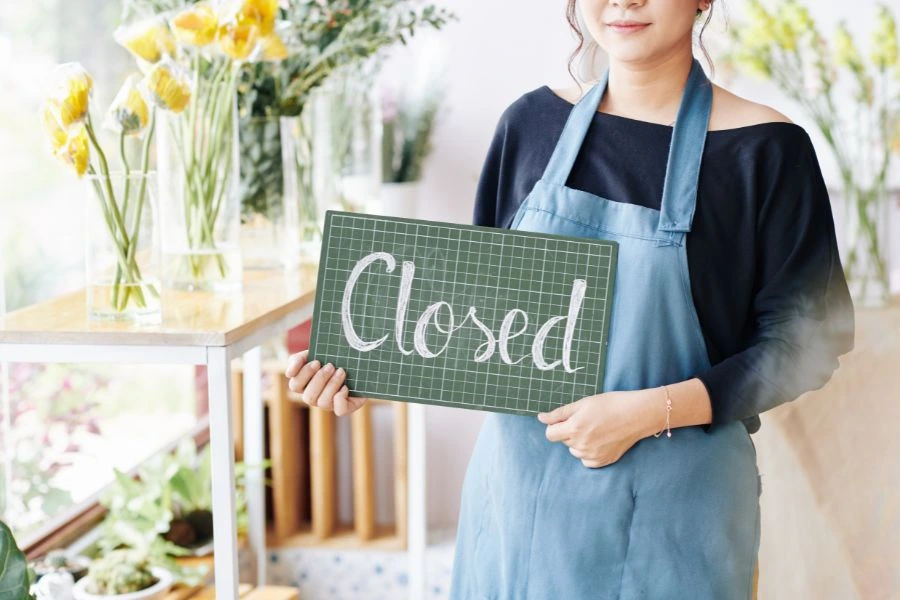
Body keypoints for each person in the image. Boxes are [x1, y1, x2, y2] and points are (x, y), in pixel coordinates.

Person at [285, 1, 856, 597]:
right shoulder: (530, 124)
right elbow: (471, 316)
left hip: (675, 527)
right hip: (517, 516)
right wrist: (368, 372)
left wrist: (650, 411)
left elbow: (807, 344)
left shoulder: (764, 149)